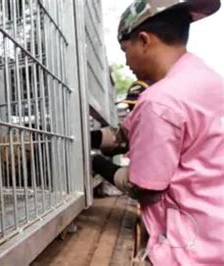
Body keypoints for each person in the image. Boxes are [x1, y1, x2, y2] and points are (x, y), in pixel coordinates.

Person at [92, 0, 224, 265]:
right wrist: (89, 139)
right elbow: (125, 135)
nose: (126, 60)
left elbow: (146, 187)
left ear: (143, 40)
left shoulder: (159, 101)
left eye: (124, 49)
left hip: (189, 249)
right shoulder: (208, 81)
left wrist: (97, 163)